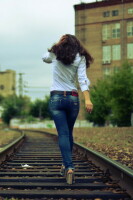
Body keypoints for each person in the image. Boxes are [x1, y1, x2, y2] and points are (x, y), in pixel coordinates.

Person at [42, 34, 93, 184]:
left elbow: (44, 58)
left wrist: (57, 45)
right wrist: (88, 99)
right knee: (68, 133)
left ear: (62, 42)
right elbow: (83, 80)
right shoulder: (80, 57)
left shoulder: (55, 53)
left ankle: (69, 167)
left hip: (56, 98)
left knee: (63, 134)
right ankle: (66, 165)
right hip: (72, 99)